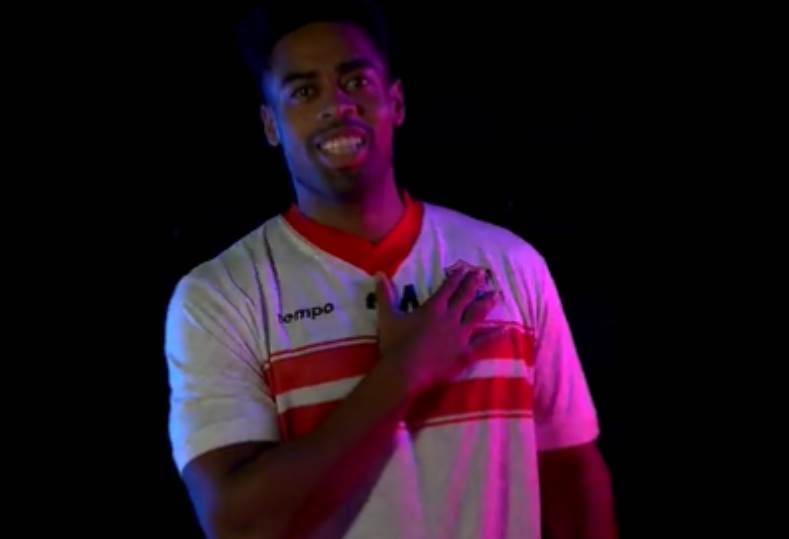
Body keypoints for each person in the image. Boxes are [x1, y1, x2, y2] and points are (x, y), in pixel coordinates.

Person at [165, 1, 617, 537]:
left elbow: (571, 475)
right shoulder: (219, 296)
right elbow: (240, 525)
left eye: (355, 81)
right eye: (304, 92)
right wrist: (404, 372)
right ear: (270, 124)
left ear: (396, 101)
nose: (337, 105)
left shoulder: (512, 264)